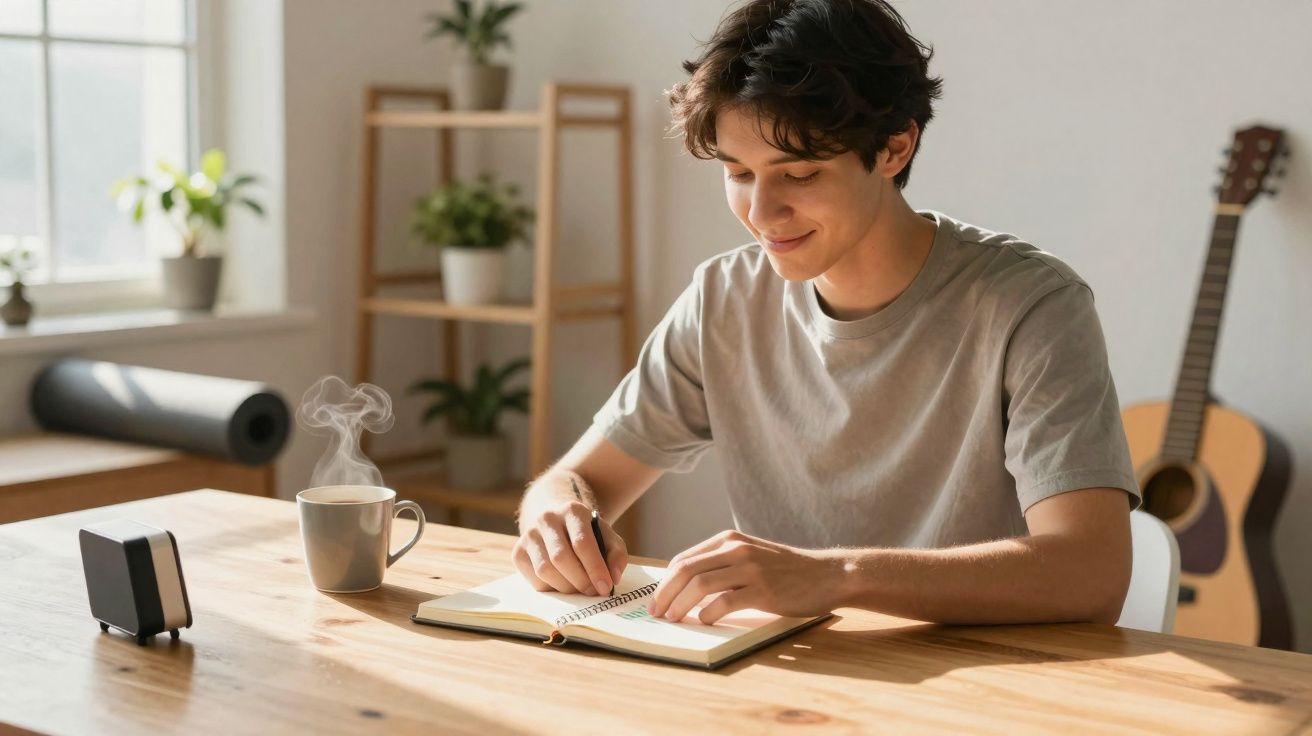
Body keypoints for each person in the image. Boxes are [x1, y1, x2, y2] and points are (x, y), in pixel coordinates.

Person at [513, 0, 1141, 628]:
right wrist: (558, 513)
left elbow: (1089, 571)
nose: (762, 212)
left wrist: (835, 577)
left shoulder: (1032, 305)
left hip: (980, 688)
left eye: (801, 174)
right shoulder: (724, 300)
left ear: (895, 147)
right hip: (782, 686)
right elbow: (574, 480)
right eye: (738, 173)